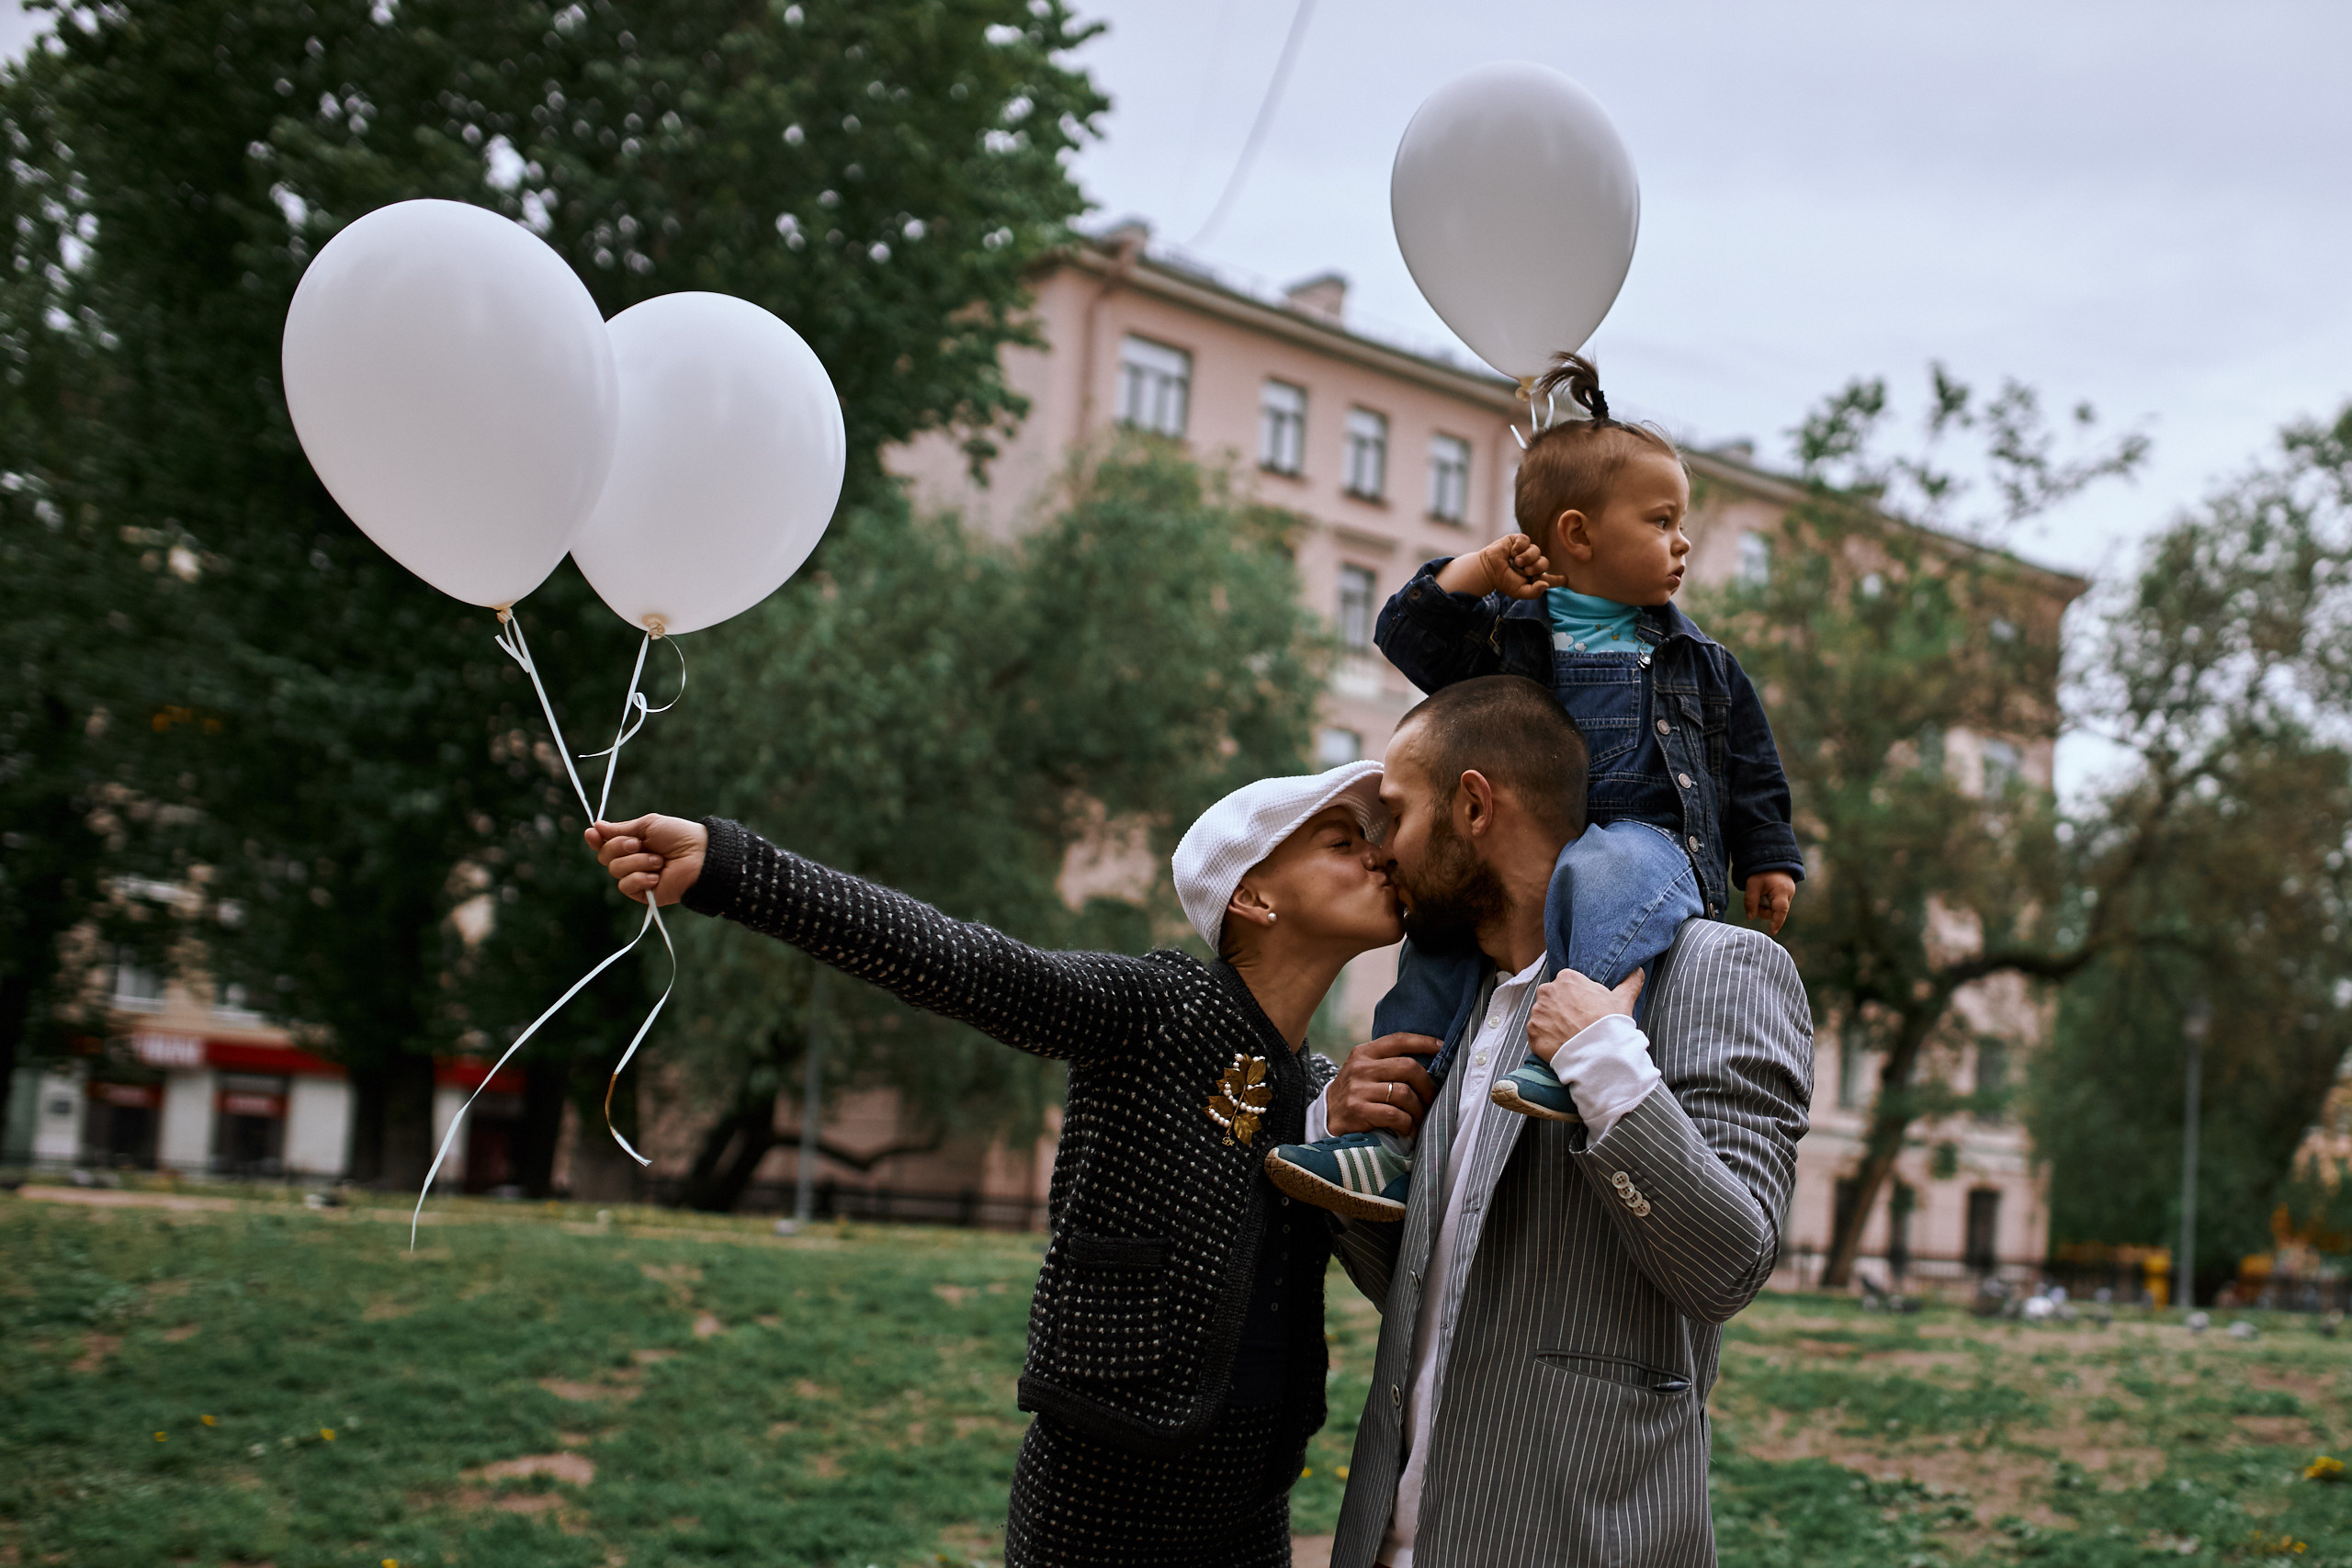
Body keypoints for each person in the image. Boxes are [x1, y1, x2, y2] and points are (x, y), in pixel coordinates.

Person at [582, 762, 1401, 1568]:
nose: (1376, 855)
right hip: (1107, 1480)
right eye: (1340, 840)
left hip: (1254, 1495)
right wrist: (733, 869)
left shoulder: (1320, 1087)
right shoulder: (1151, 1009)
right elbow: (958, 960)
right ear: (1254, 898)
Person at [1262, 352, 1804, 1222]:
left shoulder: (1701, 663)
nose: (1683, 541)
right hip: (1525, 861)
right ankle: (1384, 1141)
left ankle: (1567, 1046)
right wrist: (1478, 570)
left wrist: (1768, 856)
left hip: (1649, 847)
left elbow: (1751, 765)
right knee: (1432, 953)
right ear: (1579, 534)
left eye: (1681, 522)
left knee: (1606, 869)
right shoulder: (1507, 634)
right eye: (1662, 520)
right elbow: (1407, 635)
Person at [1305, 679, 1813, 1568]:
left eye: (1395, 813)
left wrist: (1607, 1068)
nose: (1380, 852)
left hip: (1579, 1541)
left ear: (1472, 804)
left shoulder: (1719, 970)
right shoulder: (1464, 1014)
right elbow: (1447, 1296)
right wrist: (1348, 1135)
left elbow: (1731, 1265)